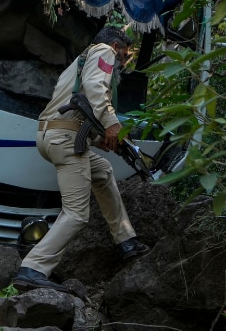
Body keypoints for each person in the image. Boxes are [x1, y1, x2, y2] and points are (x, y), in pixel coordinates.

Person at [14, 26, 149, 290]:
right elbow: (95, 89)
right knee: (76, 213)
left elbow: (77, 108)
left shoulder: (79, 63)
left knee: (103, 172)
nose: (124, 62)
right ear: (115, 46)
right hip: (65, 140)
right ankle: (33, 268)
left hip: (53, 134)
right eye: (124, 55)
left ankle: (126, 240)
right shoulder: (103, 51)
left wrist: (100, 139)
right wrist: (112, 125)